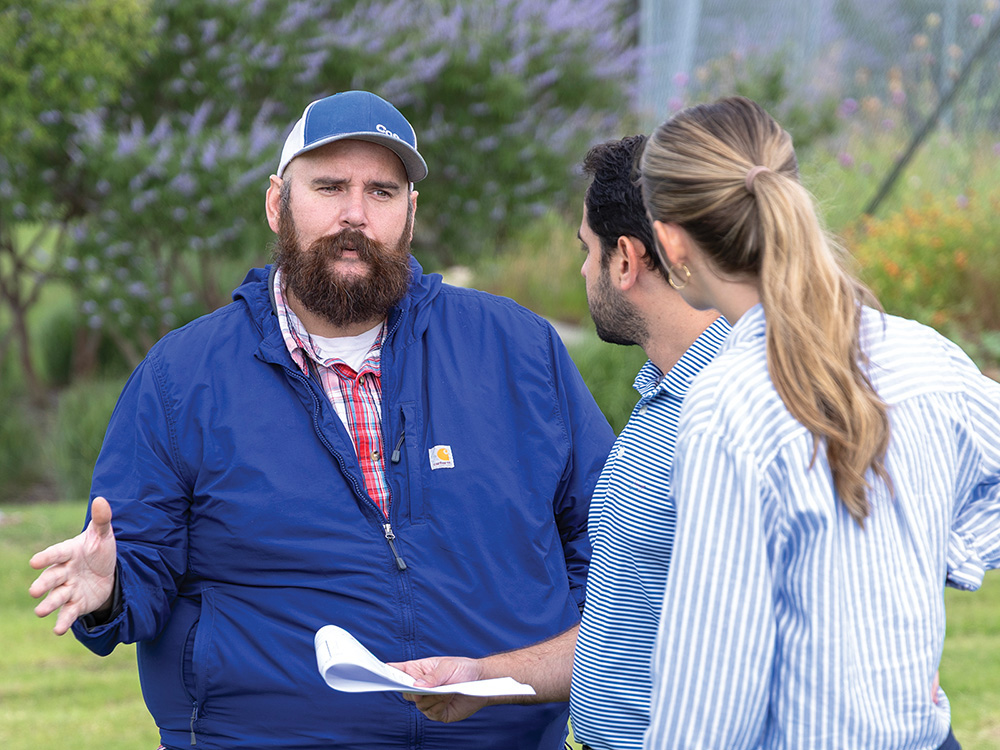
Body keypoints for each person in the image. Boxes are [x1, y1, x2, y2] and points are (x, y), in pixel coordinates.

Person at [28, 90, 615, 750]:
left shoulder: (519, 351)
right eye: (330, 186)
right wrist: (112, 587)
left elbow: (613, 550)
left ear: (411, 213)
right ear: (277, 203)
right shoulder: (183, 376)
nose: (355, 215)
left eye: (382, 192)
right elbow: (138, 569)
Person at [639, 95, 1000, 750]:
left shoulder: (727, 406)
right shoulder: (924, 355)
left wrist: (944, 553)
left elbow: (713, 683)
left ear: (668, 238)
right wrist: (943, 553)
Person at [392, 135, 728, 750]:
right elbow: (622, 627)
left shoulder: (730, 415)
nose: (581, 269)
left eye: (587, 249)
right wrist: (480, 677)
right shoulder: (659, 405)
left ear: (625, 259)